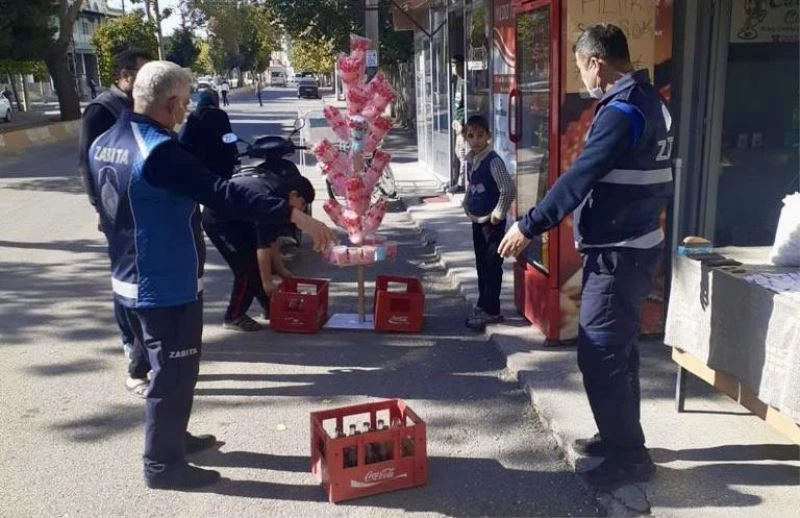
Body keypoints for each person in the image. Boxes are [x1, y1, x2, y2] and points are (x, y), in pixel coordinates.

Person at [88, 60, 336, 489]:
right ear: (170, 103)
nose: (186, 111)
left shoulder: (105, 140)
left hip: (126, 278)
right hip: (164, 282)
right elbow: (223, 193)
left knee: (167, 371)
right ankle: (162, 465)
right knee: (175, 374)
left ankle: (172, 438)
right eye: (184, 103)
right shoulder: (159, 150)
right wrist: (295, 215)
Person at [498, 24, 673, 489]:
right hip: (634, 243)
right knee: (620, 350)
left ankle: (629, 458)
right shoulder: (651, 100)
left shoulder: (621, 112)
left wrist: (528, 225)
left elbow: (578, 179)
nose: (583, 79)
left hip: (619, 253)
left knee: (600, 353)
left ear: (597, 62)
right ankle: (618, 435)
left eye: (581, 69)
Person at [78, 47, 153, 397]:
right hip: (115, 208)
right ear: (124, 75)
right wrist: (98, 205)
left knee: (140, 276)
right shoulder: (103, 109)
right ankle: (130, 341)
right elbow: (87, 161)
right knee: (126, 279)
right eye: (142, 73)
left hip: (140, 206)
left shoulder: (136, 104)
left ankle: (144, 343)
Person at [202, 172, 315, 331]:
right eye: (302, 204)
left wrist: (281, 270)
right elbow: (263, 247)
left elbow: (271, 240)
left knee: (256, 266)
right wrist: (267, 282)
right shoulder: (270, 201)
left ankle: (270, 307)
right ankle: (234, 316)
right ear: (294, 195)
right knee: (246, 269)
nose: (302, 210)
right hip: (218, 220)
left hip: (238, 219)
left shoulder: (280, 196)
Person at [461, 115, 516, 331]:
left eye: (480, 135)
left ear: (488, 136)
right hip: (477, 219)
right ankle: (483, 303)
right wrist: (466, 202)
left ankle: (492, 309)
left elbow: (507, 188)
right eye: (471, 136)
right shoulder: (472, 160)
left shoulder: (493, 161)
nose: (475, 140)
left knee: (492, 265)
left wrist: (498, 213)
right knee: (481, 264)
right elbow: (472, 184)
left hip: (491, 223)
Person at [179, 90, 238, 179]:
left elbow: (185, 141)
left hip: (199, 168)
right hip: (220, 166)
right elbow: (228, 139)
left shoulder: (193, 116)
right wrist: (235, 157)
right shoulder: (220, 115)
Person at [447, 54, 467, 194]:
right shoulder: (458, 81)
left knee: (462, 154)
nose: (453, 69)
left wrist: (462, 122)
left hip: (463, 125)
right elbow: (457, 105)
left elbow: (470, 104)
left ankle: (462, 183)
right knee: (458, 152)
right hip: (457, 123)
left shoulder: (465, 82)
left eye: (454, 65)